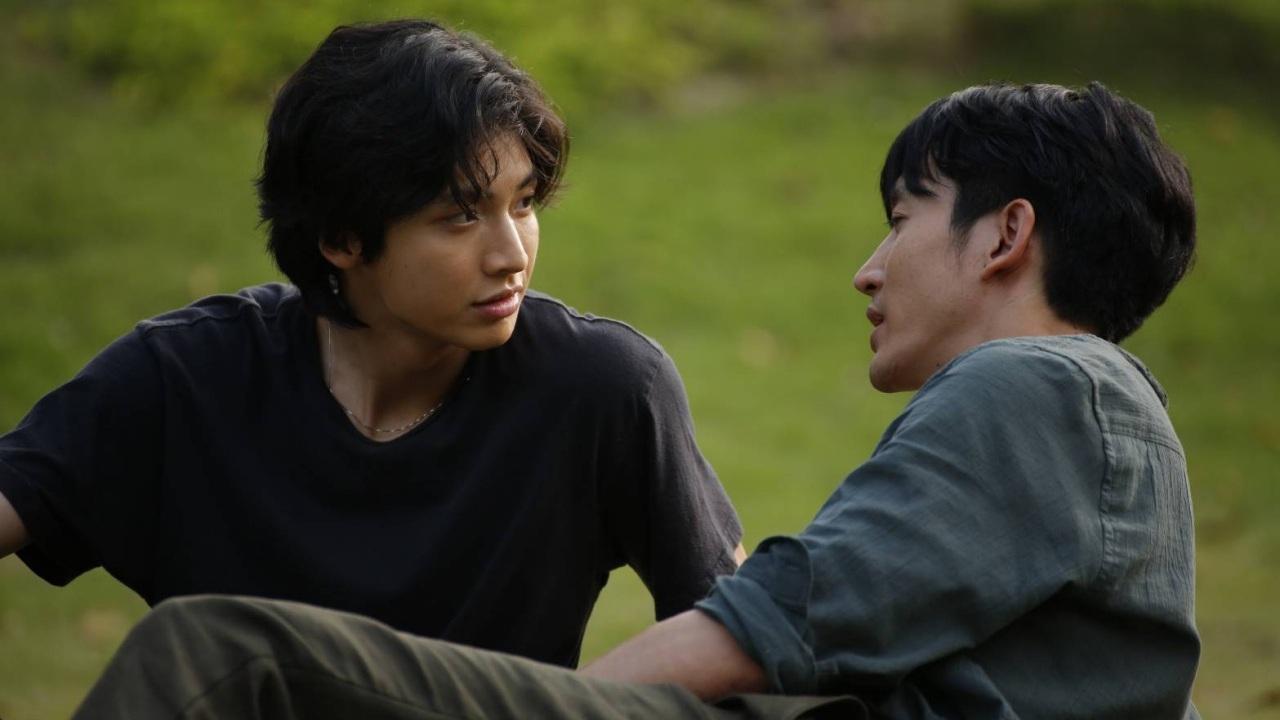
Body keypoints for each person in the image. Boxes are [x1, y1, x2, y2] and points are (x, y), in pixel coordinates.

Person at [71, 81, 1199, 719]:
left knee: (227, 654)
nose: (868, 269)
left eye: (902, 219)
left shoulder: (1047, 382)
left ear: (1005, 235)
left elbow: (767, 627)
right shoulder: (1086, 424)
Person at [0, 19, 744, 669]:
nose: (513, 254)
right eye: (461, 216)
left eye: (523, 204)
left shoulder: (601, 388)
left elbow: (743, 633)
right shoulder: (186, 377)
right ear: (342, 237)